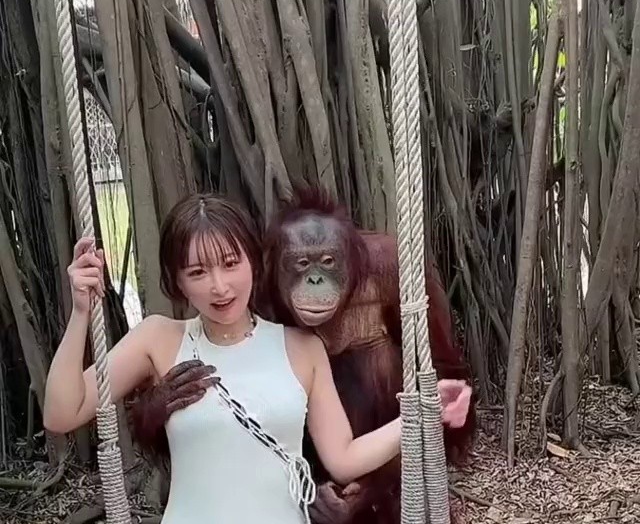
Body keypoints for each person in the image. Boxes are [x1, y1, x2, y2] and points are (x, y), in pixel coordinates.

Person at [43, 194, 471, 524]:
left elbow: (344, 457)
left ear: (251, 262)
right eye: (197, 272)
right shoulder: (159, 338)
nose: (220, 287)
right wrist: (82, 314)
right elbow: (62, 413)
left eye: (231, 264)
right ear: (176, 282)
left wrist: (426, 409)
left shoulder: (304, 343)